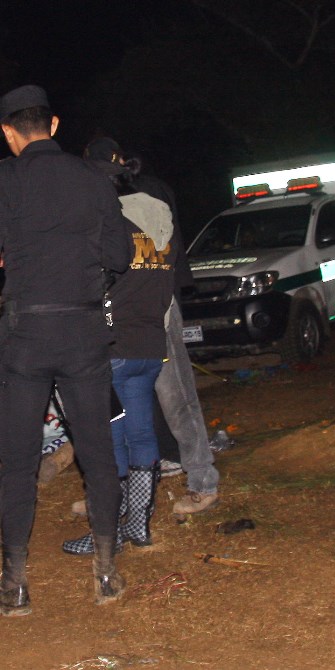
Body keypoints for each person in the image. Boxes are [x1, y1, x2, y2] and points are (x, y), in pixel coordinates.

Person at [0, 84, 132, 615]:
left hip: (23, 338)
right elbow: (119, 256)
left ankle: (15, 586)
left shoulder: (5, 179)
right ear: (52, 126)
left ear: (8, 131)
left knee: (15, 462)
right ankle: (105, 573)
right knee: (97, 455)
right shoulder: (92, 178)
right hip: (82, 336)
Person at [84, 138, 220, 516]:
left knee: (164, 400)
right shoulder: (155, 203)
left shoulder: (109, 211)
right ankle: (124, 492)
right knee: (144, 405)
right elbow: (171, 257)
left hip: (139, 313)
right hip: (157, 307)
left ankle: (202, 482)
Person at [62, 148, 176, 555]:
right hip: (149, 348)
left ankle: (106, 534)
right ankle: (139, 526)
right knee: (142, 434)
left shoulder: (110, 226)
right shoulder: (162, 223)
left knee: (105, 444)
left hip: (112, 350)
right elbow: (166, 288)